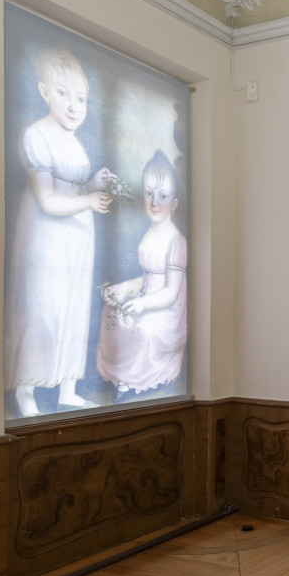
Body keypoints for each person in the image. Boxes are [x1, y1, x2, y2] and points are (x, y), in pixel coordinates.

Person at [4, 48, 114, 418]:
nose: (73, 106)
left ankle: (68, 388)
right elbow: (49, 200)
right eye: (63, 94)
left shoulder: (74, 140)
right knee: (43, 309)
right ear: (43, 91)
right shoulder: (36, 135)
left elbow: (74, 188)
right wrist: (88, 200)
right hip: (47, 237)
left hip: (78, 238)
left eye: (81, 98)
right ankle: (26, 390)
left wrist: (93, 184)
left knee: (73, 308)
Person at [96, 151, 188, 399]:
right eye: (148, 193)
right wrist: (123, 288)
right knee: (111, 313)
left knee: (139, 328)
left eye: (163, 196)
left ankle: (132, 380)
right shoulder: (149, 233)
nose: (154, 203)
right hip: (146, 296)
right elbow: (146, 278)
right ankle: (122, 377)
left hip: (166, 312)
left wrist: (142, 304)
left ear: (174, 204)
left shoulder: (176, 241)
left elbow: (170, 293)